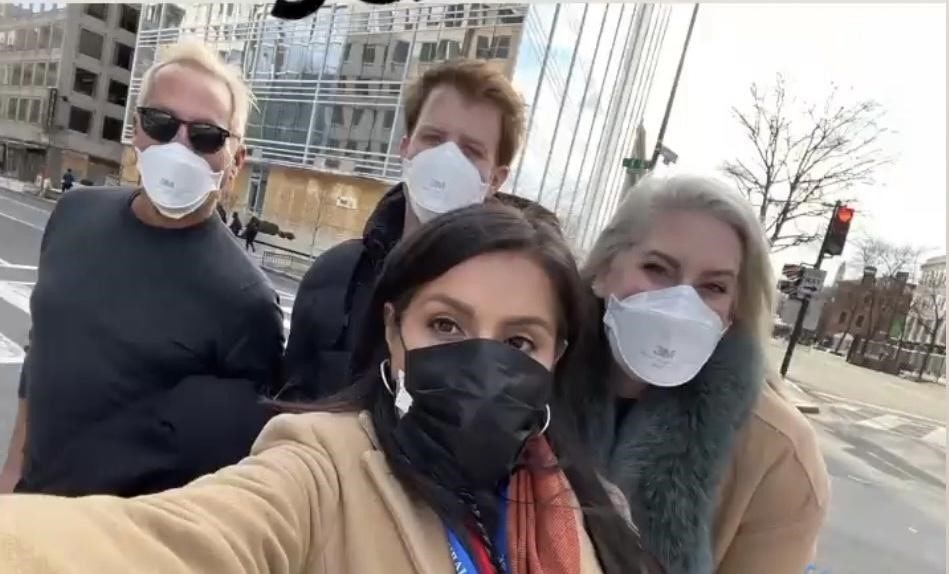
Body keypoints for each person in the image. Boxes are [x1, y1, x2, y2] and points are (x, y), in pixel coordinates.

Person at [0, 204, 659, 574]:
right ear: (394, 333)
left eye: (518, 342)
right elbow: (174, 543)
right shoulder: (322, 469)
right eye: (446, 324)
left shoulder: (595, 509)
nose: (480, 362)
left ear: (556, 357)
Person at [0, 40, 284, 497]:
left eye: (206, 135)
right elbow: (43, 348)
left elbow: (234, 469)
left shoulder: (247, 302)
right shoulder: (73, 213)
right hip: (26, 511)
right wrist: (12, 468)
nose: (180, 146)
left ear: (236, 161)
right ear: (136, 130)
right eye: (161, 123)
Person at [563, 174, 830, 574]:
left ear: (733, 311)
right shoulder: (532, 376)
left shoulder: (779, 454)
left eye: (713, 287)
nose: (679, 302)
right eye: (657, 268)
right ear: (604, 270)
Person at [284, 58, 532, 401]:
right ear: (406, 148)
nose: (447, 158)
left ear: (496, 179)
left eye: (471, 151)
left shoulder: (511, 313)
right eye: (433, 138)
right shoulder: (335, 275)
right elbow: (288, 401)